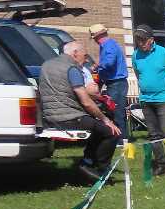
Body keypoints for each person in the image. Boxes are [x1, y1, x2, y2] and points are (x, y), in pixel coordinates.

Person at [38, 41, 121, 183]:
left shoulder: (46, 65)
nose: (86, 59)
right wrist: (106, 120)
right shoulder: (72, 69)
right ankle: (98, 169)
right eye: (85, 55)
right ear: (75, 53)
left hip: (49, 116)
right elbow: (85, 101)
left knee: (97, 128)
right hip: (69, 117)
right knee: (111, 132)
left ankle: (88, 162)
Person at [131, 25, 165, 176]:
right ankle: (162, 164)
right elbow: (138, 75)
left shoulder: (164, 53)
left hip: (164, 99)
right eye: (138, 40)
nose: (140, 43)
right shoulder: (135, 55)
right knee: (153, 134)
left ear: (151, 40)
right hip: (146, 100)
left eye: (143, 40)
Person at [89, 24, 129, 138]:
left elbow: (109, 63)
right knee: (115, 111)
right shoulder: (107, 45)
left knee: (116, 111)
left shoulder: (108, 45)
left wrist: (97, 66)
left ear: (97, 36)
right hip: (114, 83)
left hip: (117, 83)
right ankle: (120, 137)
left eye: (94, 38)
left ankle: (122, 139)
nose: (95, 40)